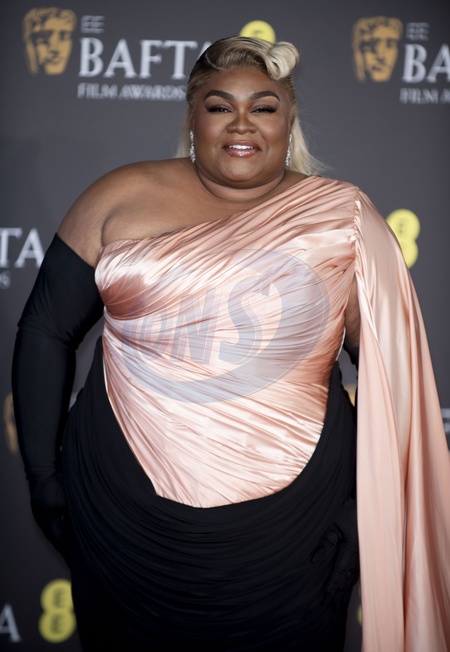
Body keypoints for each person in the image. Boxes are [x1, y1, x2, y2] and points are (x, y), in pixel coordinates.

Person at [12, 36, 450, 652]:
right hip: (122, 518)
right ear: (193, 118)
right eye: (220, 106)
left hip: (294, 533)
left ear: (288, 120)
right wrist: (42, 476)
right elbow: (45, 330)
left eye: (263, 107)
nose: (241, 123)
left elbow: (393, 382)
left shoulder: (343, 218)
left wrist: (364, 515)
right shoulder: (117, 196)